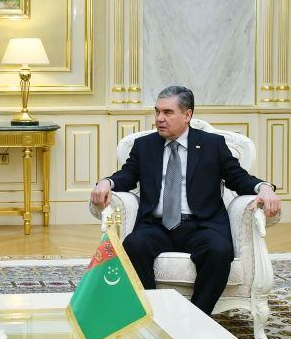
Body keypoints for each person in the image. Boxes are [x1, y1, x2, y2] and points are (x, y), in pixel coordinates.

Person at [89, 85, 280, 314]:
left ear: (187, 115)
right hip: (156, 226)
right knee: (133, 245)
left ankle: (196, 317)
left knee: (219, 251)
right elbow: (128, 174)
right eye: (157, 111)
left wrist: (264, 188)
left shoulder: (212, 145)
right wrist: (107, 182)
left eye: (168, 112)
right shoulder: (145, 146)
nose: (159, 118)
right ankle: (155, 314)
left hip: (201, 225)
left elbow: (237, 177)